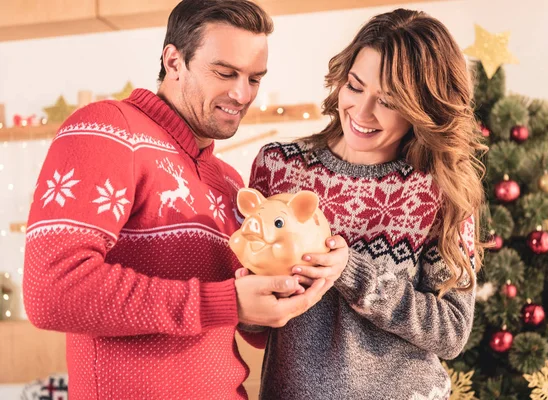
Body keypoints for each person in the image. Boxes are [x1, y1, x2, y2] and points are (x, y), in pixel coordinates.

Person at [22, 1, 331, 399]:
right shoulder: (107, 128)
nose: (242, 93)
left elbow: (250, 328)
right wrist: (225, 302)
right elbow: (51, 291)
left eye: (255, 78)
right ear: (174, 60)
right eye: (225, 73)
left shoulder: (231, 184)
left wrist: (310, 274)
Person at [246, 8, 487, 399]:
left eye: (389, 101)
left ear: (423, 107)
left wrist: (352, 272)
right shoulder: (278, 166)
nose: (361, 112)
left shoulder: (441, 188)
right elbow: (254, 324)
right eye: (355, 87)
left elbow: (452, 332)